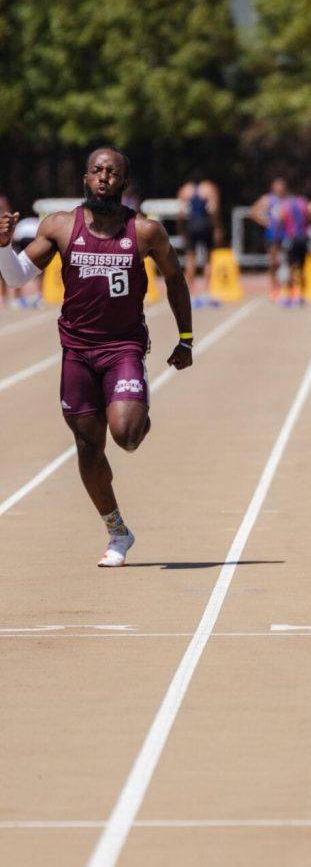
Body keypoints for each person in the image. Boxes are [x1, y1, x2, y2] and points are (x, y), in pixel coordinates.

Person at [0, 147, 194, 567]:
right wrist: (1, 247)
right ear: (85, 178)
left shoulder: (145, 232)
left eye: (112, 173)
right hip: (77, 352)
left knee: (125, 435)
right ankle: (117, 531)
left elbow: (175, 280)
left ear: (123, 183)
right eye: (96, 171)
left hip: (122, 347)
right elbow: (15, 277)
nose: (104, 178)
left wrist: (186, 338)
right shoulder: (60, 227)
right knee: (89, 448)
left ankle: (136, 408)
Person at [177, 170, 222, 302]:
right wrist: (218, 227)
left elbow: (180, 213)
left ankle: (189, 291)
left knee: (190, 259)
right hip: (205, 223)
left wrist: (181, 229)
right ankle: (207, 290)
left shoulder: (185, 190)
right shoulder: (209, 188)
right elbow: (214, 209)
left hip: (191, 225)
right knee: (208, 259)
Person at [250, 178, 288, 301]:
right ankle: (274, 288)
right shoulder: (268, 199)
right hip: (272, 235)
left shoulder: (287, 200)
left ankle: (286, 287)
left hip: (286, 234)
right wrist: (266, 222)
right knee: (273, 262)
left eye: (282, 186)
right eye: (278, 186)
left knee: (286, 261)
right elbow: (254, 211)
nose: (280, 188)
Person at [280, 190, 311, 306]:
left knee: (290, 268)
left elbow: (282, 219)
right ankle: (301, 296)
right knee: (302, 269)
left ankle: (290, 295)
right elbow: (309, 217)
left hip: (291, 239)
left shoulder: (286, 204)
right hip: (303, 239)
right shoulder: (303, 203)